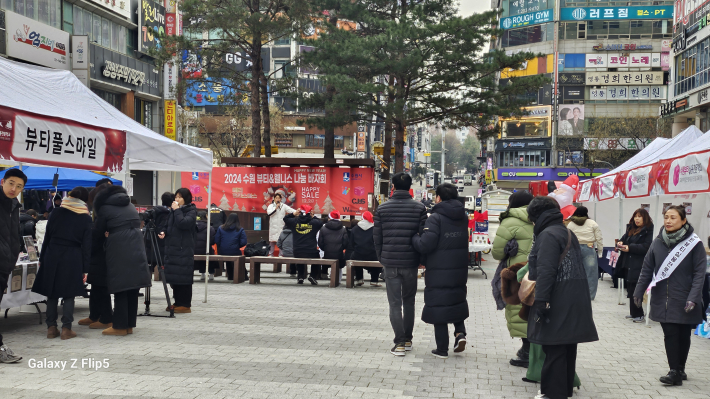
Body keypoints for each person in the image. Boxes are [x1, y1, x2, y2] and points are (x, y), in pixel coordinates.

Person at [526, 196, 598, 399]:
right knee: (566, 345)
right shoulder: (565, 231)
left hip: (558, 296)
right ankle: (564, 389)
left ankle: (553, 393)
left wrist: (541, 300)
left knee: (554, 345)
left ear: (537, 216)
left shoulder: (548, 235)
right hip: (574, 295)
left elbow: (547, 271)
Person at [634, 205, 706, 386]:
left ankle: (680, 368)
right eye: (666, 217)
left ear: (683, 221)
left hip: (686, 296)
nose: (668, 221)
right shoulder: (657, 242)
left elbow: (699, 273)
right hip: (663, 298)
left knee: (684, 334)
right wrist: (638, 291)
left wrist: (694, 297)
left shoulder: (694, 244)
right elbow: (647, 269)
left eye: (673, 217)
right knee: (671, 333)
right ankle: (674, 370)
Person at [412, 183, 469, 359]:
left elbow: (425, 244)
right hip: (459, 267)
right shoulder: (463, 216)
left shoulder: (435, 218)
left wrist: (415, 237)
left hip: (438, 269)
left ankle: (442, 349)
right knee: (456, 299)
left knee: (439, 305)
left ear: (438, 198)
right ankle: (460, 333)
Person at [374, 172, 427, 356]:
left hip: (390, 261)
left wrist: (382, 257)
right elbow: (422, 237)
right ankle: (408, 339)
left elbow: (377, 237)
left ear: (393, 187)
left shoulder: (382, 208)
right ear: (410, 187)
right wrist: (421, 259)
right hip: (411, 261)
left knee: (395, 303)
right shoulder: (419, 208)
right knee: (409, 301)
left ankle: (399, 343)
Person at [32, 187, 92, 340]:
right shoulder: (85, 217)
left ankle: (51, 328)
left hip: (52, 252)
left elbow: (47, 237)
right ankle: (67, 329)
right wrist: (85, 268)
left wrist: (42, 258)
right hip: (73, 255)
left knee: (52, 293)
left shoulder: (56, 212)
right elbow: (87, 244)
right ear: (84, 200)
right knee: (69, 293)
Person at [93, 185, 151, 335]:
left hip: (119, 248)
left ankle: (119, 326)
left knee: (120, 287)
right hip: (137, 246)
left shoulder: (105, 208)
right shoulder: (130, 205)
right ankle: (129, 325)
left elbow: (98, 232)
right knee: (133, 286)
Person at [491, 191, 534, 368]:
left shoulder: (509, 221)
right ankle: (533, 348)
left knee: (518, 308)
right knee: (533, 308)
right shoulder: (539, 219)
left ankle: (526, 351)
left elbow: (496, 252)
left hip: (517, 272)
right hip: (538, 270)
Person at [0, 169, 26, 362]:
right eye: (11, 183)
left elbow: (14, 236)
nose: (13, 188)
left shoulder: (15, 206)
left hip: (5, 265)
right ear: (2, 181)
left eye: (19, 186)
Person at [78, 184, 113, 330]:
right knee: (96, 286)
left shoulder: (105, 211)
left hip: (102, 254)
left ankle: (106, 317)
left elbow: (98, 233)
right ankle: (95, 315)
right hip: (97, 254)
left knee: (102, 286)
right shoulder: (101, 211)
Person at [163, 188, 197, 313]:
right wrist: (163, 232)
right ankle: (177, 302)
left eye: (179, 197)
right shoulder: (173, 211)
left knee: (183, 276)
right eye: (176, 197)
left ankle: (185, 304)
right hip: (173, 249)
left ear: (186, 199)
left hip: (184, 250)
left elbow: (184, 224)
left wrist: (177, 210)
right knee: (175, 277)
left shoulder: (191, 211)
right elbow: (169, 225)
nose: (176, 200)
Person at [616, 208, 654, 322]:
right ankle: (633, 313)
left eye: (639, 216)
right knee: (630, 288)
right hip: (628, 262)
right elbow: (623, 239)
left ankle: (639, 314)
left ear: (645, 218)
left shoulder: (647, 230)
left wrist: (630, 248)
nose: (637, 219)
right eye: (635, 216)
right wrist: (620, 243)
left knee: (636, 289)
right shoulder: (630, 228)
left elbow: (646, 247)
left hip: (639, 263)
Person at [566, 206, 603, 300]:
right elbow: (599, 238)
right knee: (591, 273)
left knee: (573, 272)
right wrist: (600, 251)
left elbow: (567, 238)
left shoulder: (571, 224)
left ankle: (574, 293)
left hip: (574, 249)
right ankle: (590, 295)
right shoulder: (592, 223)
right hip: (589, 248)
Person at [283, 205, 323, 285]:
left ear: (300, 212)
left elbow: (285, 218)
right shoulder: (314, 223)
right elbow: (320, 223)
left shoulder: (294, 222)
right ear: (310, 213)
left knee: (299, 260)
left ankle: (300, 277)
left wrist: (294, 213)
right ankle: (313, 276)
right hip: (311, 250)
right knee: (317, 259)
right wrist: (313, 216)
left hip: (297, 249)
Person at [348, 211, 381, 286]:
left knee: (354, 257)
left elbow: (351, 243)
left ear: (362, 218)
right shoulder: (375, 228)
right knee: (377, 257)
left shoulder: (355, 228)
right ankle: (374, 280)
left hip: (358, 254)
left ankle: (359, 278)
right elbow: (378, 241)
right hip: (372, 254)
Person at [142, 192, 173, 274]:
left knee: (149, 266)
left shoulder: (155, 210)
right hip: (161, 244)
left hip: (150, 243)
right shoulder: (167, 214)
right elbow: (163, 229)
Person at [215, 213, 247, 280]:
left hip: (222, 251)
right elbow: (244, 242)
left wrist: (222, 246)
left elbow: (217, 240)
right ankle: (244, 275)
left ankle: (230, 276)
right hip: (235, 250)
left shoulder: (221, 228)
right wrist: (237, 245)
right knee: (237, 255)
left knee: (228, 255)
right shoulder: (240, 229)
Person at [317, 210, 348, 282]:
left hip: (327, 253)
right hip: (339, 254)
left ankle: (324, 274)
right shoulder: (343, 229)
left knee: (325, 259)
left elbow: (320, 242)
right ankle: (338, 280)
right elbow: (345, 242)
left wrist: (325, 249)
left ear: (329, 218)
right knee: (340, 263)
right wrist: (341, 248)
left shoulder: (323, 228)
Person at [194, 211, 217, 281]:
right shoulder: (210, 228)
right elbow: (213, 241)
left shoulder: (192, 227)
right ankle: (211, 273)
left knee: (199, 252)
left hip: (194, 250)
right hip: (206, 250)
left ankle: (202, 273)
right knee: (210, 253)